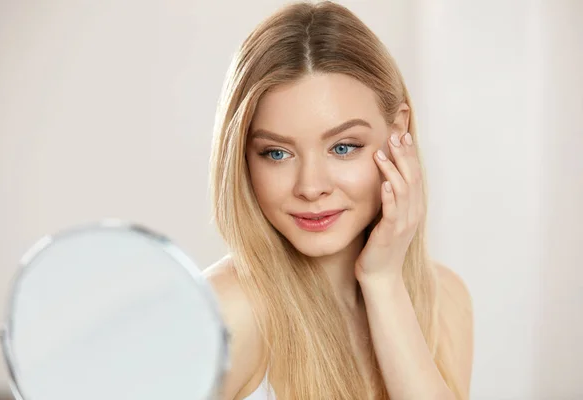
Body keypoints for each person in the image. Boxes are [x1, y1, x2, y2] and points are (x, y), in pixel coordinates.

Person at [203, 1, 474, 399]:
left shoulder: (444, 300)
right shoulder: (223, 315)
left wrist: (383, 283)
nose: (311, 187)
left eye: (344, 147)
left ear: (398, 132)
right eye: (277, 153)